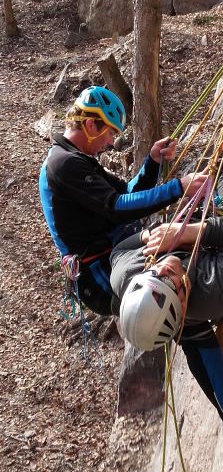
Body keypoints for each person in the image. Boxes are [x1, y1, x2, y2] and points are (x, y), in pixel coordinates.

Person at [110, 153, 223, 460]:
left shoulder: (126, 272)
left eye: (159, 275)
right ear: (182, 307)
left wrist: (156, 235)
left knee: (195, 333)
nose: (167, 269)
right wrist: (190, 233)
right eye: (176, 285)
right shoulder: (211, 293)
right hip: (207, 264)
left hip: (148, 293)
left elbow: (119, 251)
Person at [39, 86, 207, 315]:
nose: (111, 141)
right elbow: (116, 207)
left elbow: (126, 192)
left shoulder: (76, 159)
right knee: (178, 297)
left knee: (187, 271)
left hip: (116, 257)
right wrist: (178, 188)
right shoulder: (64, 164)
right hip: (100, 275)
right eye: (110, 132)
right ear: (90, 125)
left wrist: (153, 162)